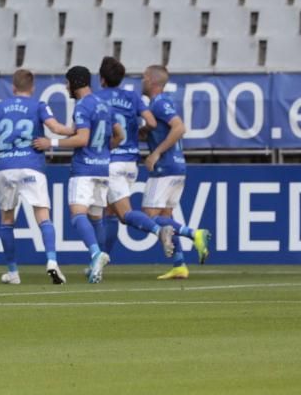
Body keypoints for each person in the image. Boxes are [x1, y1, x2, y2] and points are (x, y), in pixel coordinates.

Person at [0, 69, 72, 285]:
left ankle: (13, 272)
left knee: (7, 220)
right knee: (43, 217)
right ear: (32, 87)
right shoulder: (38, 106)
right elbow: (55, 128)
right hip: (31, 166)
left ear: (13, 87)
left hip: (6, 168)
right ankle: (52, 262)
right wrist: (76, 131)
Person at [40, 66, 122, 284]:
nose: (66, 87)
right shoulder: (104, 104)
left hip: (84, 168)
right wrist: (104, 151)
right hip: (103, 168)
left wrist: (52, 143)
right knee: (96, 219)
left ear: (75, 83)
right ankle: (98, 263)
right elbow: (119, 134)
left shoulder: (82, 105)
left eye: (67, 82)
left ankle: (96, 254)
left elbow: (82, 139)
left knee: (77, 215)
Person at [90, 56, 175, 261]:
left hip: (112, 162)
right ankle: (102, 261)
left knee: (124, 214)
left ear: (102, 79)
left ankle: (158, 230)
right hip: (130, 163)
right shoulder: (133, 97)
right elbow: (153, 123)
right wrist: (138, 131)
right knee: (110, 213)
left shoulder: (97, 98)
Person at [140, 64, 211, 280]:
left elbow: (179, 128)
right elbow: (164, 129)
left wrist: (156, 154)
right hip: (177, 166)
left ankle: (194, 233)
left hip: (165, 168)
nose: (141, 81)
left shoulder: (160, 102)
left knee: (148, 216)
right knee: (166, 217)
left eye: (143, 77)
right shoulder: (161, 103)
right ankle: (179, 264)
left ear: (152, 81)